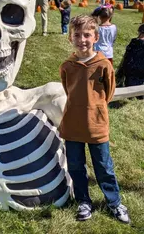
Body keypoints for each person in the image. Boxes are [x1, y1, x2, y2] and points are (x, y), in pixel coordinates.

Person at [59, 15, 130, 224]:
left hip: (96, 126)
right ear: (70, 38)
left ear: (96, 37)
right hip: (72, 125)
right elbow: (68, 90)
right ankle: (83, 201)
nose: (82, 39)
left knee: (104, 166)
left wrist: (95, 109)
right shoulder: (67, 66)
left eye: (87, 35)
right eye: (77, 35)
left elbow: (108, 93)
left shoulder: (103, 66)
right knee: (76, 166)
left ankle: (114, 202)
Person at [116, 24, 144, 92]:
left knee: (129, 84)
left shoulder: (133, 41)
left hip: (130, 68)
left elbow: (126, 55)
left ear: (139, 32)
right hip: (141, 69)